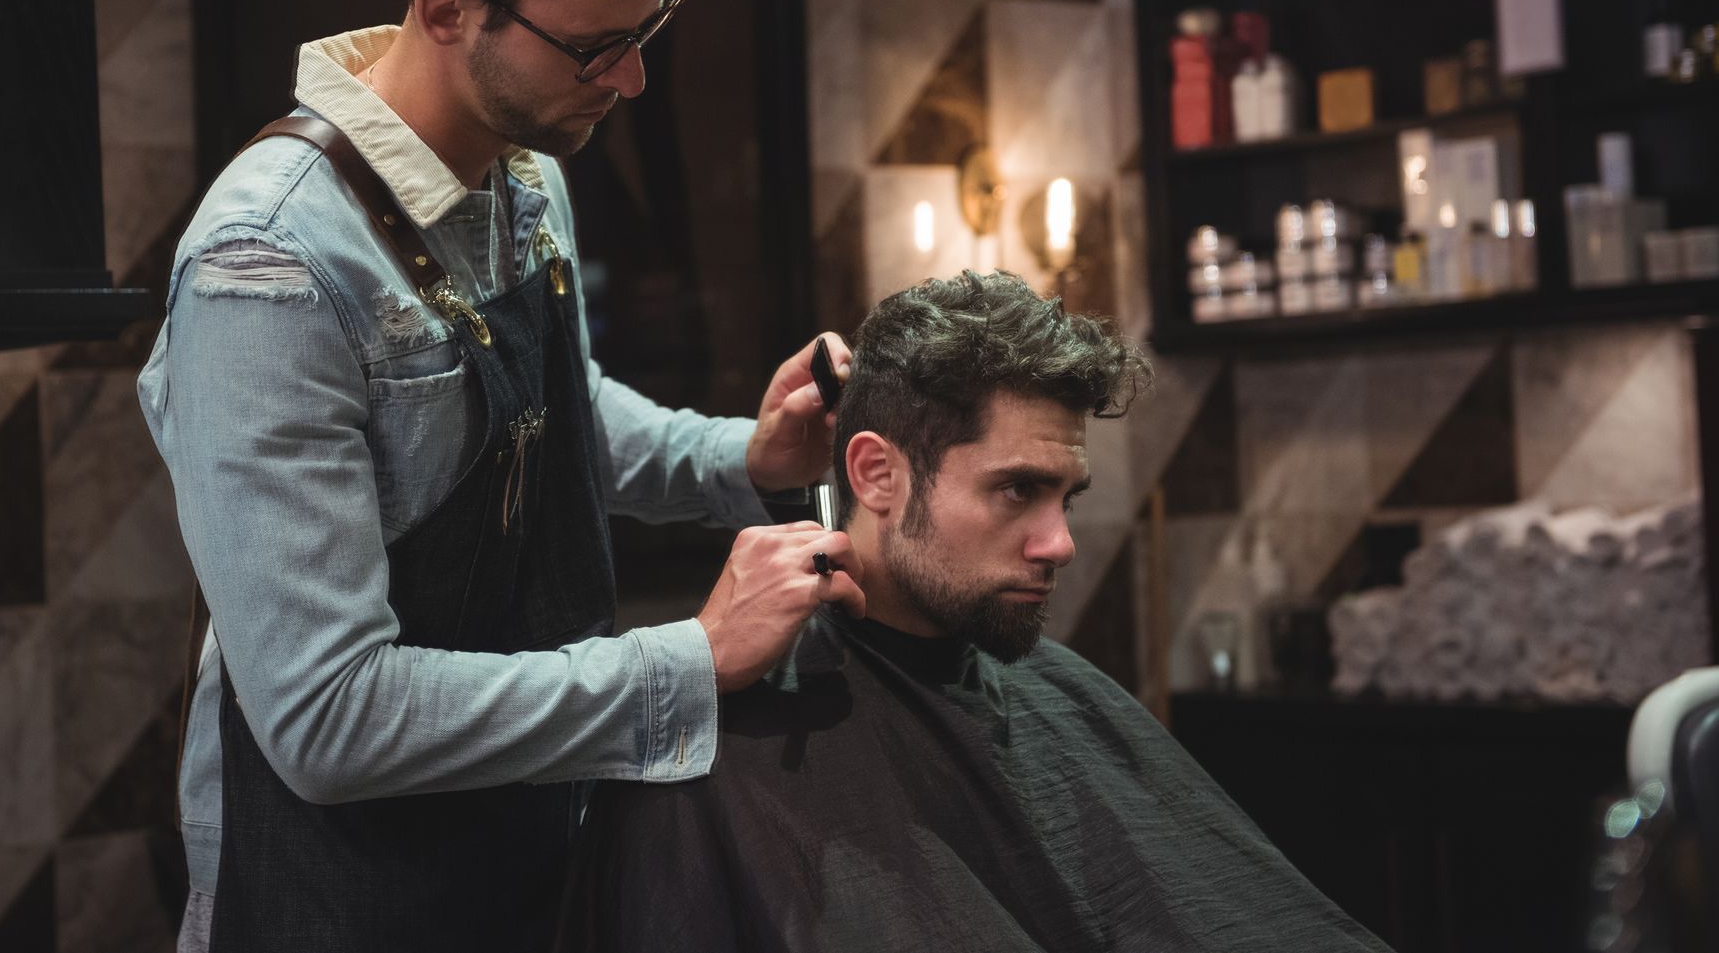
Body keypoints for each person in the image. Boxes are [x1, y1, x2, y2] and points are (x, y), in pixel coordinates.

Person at [137, 0, 865, 953]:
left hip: (532, 860)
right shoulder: (267, 268)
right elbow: (328, 720)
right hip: (349, 904)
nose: (631, 79)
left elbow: (546, 415)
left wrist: (747, 457)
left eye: (648, 30)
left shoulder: (524, 176)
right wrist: (687, 662)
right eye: (595, 46)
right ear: (445, 10)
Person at [555, 271, 1391, 953]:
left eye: (1066, 496)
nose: (1061, 543)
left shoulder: (1060, 696)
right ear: (876, 474)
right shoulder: (712, 755)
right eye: (1018, 489)